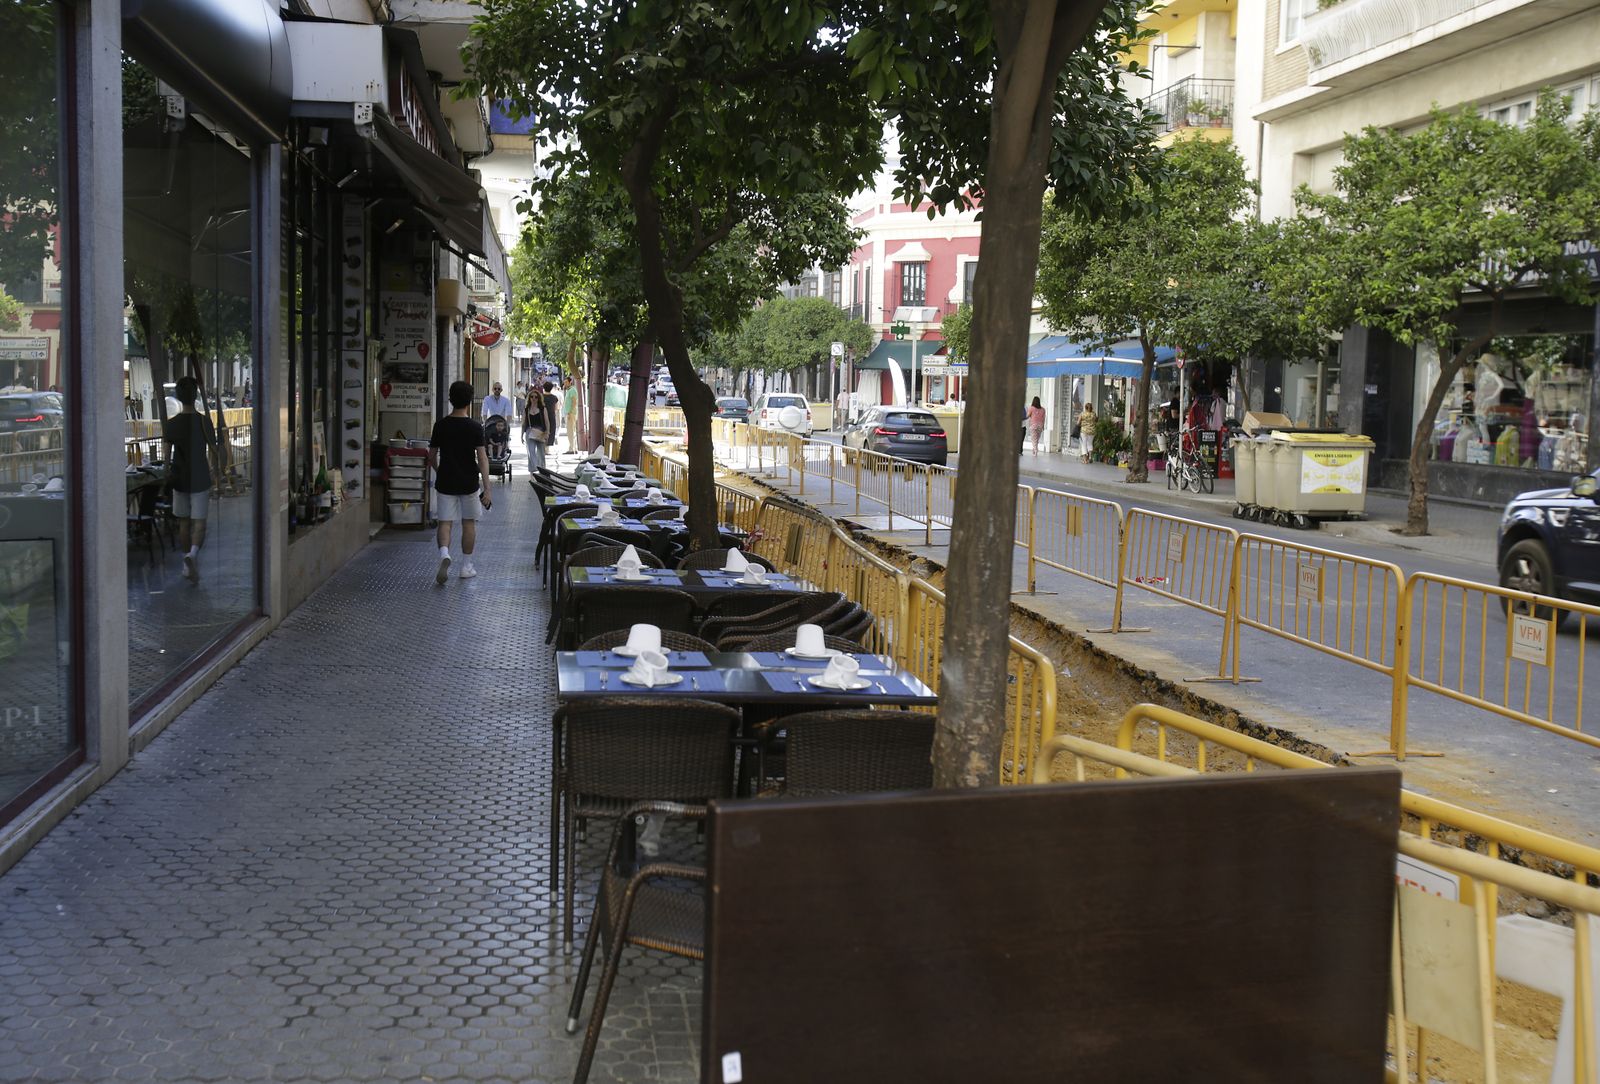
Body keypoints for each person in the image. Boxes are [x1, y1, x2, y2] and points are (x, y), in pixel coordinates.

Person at [429, 380, 493, 585]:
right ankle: (466, 566)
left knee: (445, 522)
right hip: (469, 483)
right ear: (469, 401)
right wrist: (487, 488)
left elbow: (431, 456)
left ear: (450, 399)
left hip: (445, 481)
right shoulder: (475, 427)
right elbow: (482, 458)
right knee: (468, 523)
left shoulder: (440, 425)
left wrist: (440, 471)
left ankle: (444, 554)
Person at [161, 375, 217, 584]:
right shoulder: (204, 421)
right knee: (199, 523)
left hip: (179, 478)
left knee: (183, 523)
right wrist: (215, 471)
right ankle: (192, 555)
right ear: (195, 396)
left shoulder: (171, 425)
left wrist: (167, 472)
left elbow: (166, 457)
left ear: (178, 396)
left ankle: (187, 565)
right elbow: (213, 450)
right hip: (200, 477)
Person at [523, 380, 551, 471]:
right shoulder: (526, 409)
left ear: (539, 398)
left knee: (541, 453)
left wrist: (547, 432)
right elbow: (524, 423)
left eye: (536, 397)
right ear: (529, 398)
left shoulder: (543, 409)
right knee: (531, 453)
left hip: (541, 432)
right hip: (529, 432)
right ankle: (533, 472)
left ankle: (542, 471)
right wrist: (521, 435)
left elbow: (547, 421)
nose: (534, 398)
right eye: (532, 397)